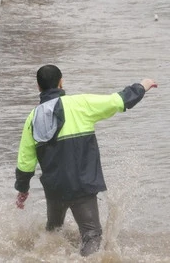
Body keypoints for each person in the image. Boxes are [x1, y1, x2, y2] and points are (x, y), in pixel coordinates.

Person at [14, 65, 158, 257]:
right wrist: (143, 85)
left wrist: (22, 189)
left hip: (54, 188)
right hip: (82, 185)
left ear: (38, 87)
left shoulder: (32, 118)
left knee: (53, 233)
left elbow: (25, 161)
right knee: (92, 235)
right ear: (61, 82)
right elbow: (119, 101)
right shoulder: (80, 104)